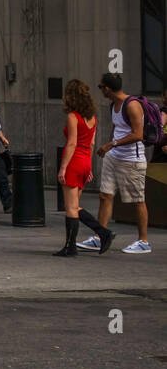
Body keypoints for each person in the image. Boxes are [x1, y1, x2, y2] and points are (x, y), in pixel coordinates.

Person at [76, 73, 151, 254]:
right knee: (105, 195)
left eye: (101, 87)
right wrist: (110, 146)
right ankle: (100, 236)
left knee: (137, 200)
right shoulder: (113, 106)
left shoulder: (132, 105)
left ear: (107, 89)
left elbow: (138, 134)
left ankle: (143, 241)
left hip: (131, 160)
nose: (100, 90)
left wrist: (111, 144)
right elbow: (117, 128)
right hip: (114, 157)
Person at [53, 79, 109, 256]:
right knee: (75, 206)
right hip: (85, 162)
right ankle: (103, 233)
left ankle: (71, 247)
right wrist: (90, 167)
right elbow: (91, 144)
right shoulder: (93, 118)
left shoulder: (72, 117)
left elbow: (71, 143)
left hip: (74, 162)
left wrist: (63, 168)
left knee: (70, 208)